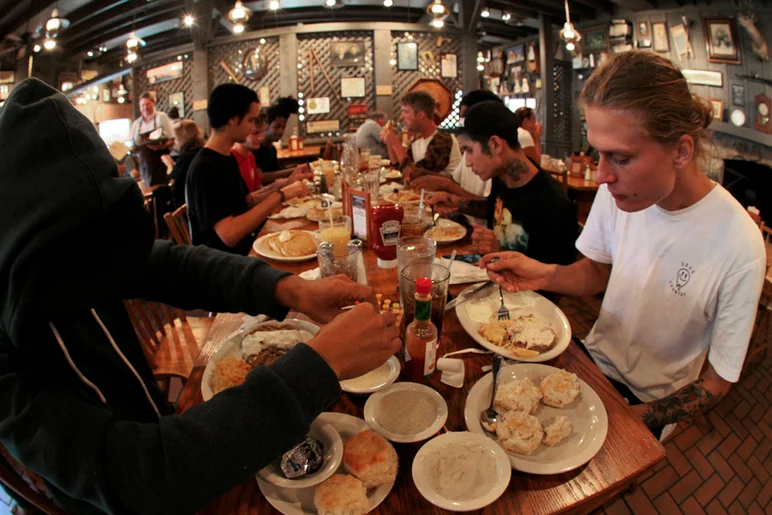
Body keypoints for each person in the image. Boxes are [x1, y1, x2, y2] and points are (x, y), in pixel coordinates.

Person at [0, 77, 402, 515]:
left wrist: (291, 290)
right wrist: (317, 367)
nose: (105, 267)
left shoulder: (84, 251)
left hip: (166, 427)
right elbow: (143, 474)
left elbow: (178, 265)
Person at [480, 52, 767, 440]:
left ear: (681, 151)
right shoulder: (621, 190)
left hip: (648, 397)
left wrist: (628, 419)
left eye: (621, 157)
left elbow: (716, 382)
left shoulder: (738, 243)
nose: (601, 174)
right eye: (598, 152)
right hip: (590, 359)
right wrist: (543, 273)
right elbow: (597, 272)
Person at [428, 101, 578, 267]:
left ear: (495, 144)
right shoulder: (501, 179)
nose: (468, 162)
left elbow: (556, 280)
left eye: (469, 150)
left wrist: (499, 251)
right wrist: (454, 201)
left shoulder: (553, 203)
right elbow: (495, 208)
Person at [186, 84, 308, 256]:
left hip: (244, 251)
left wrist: (286, 186)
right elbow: (230, 235)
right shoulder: (204, 168)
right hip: (222, 265)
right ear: (233, 119)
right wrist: (280, 196)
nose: (253, 128)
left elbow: (247, 201)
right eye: (250, 120)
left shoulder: (225, 157)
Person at [380, 90, 462, 182]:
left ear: (420, 115)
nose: (402, 116)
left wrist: (396, 144)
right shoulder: (417, 138)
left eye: (406, 112)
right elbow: (400, 171)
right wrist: (389, 144)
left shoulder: (443, 138)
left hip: (447, 194)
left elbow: (414, 175)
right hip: (423, 193)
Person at [231, 110, 312, 196]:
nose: (261, 138)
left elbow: (259, 189)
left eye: (262, 132)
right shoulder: (232, 159)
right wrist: (285, 185)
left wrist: (286, 183)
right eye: (255, 133)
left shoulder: (250, 156)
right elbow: (249, 201)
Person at [130, 92, 175, 186]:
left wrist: (162, 147)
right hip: (144, 164)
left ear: (153, 103)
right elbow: (134, 145)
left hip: (160, 160)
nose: (145, 107)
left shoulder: (161, 117)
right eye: (142, 105)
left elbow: (172, 139)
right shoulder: (136, 124)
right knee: (148, 189)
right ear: (139, 107)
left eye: (148, 104)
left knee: (162, 188)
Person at [252, 97, 300, 176]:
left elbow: (277, 170)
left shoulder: (272, 149)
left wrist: (297, 167)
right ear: (265, 125)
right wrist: (294, 170)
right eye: (277, 127)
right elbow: (261, 178)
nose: (281, 131)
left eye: (283, 127)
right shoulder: (255, 149)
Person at [168, 119, 205, 208]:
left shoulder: (185, 156)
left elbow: (173, 181)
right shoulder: (203, 151)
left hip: (187, 204)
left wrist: (169, 164)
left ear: (182, 137)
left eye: (176, 138)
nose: (174, 142)